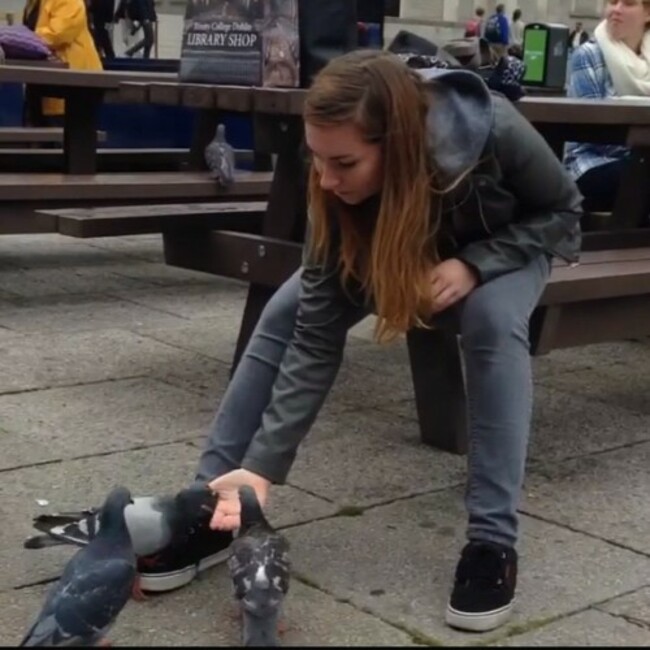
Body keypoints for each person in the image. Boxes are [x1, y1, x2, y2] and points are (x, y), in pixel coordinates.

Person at [64, 49, 582, 632]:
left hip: (505, 247)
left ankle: (493, 540)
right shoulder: (335, 188)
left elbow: (563, 211)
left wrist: (475, 264)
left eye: (344, 163)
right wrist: (262, 467)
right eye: (317, 160)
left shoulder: (489, 126)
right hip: (391, 239)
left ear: (400, 145)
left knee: (490, 320)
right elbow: (312, 342)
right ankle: (214, 505)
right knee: (285, 312)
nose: (327, 180)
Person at [565, 0, 650, 213]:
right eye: (612, 2)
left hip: (641, 160)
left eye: (628, 4)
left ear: (647, 13)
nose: (616, 10)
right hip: (592, 165)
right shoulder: (588, 54)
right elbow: (592, 133)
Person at [22, 0, 102, 126]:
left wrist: (23, 39)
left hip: (72, 82)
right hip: (42, 79)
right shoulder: (34, 2)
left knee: (63, 135)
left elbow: (57, 34)